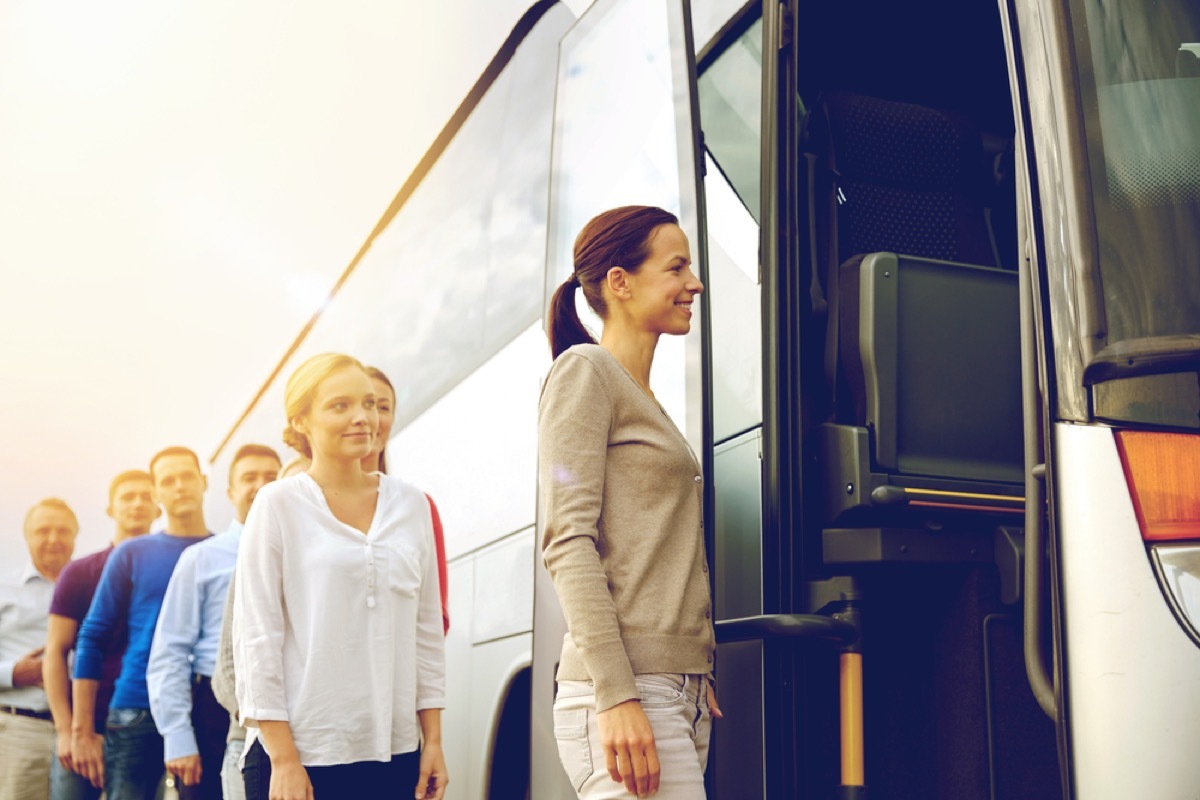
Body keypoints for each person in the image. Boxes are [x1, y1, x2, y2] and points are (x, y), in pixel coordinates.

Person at [538, 205, 721, 799]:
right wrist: (617, 692)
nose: (694, 283)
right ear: (620, 282)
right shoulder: (585, 371)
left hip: (675, 692)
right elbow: (567, 541)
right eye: (676, 267)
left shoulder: (642, 395)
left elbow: (660, 548)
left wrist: (691, 660)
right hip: (628, 693)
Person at [233, 352, 447, 800]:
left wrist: (434, 742)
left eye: (370, 403)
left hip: (395, 754)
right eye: (340, 405)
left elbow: (426, 632)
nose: (362, 418)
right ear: (301, 421)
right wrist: (284, 759)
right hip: (300, 757)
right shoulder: (276, 504)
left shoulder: (412, 506)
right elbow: (257, 638)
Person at [72, 447, 213, 800]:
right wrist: (81, 730)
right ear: (156, 494)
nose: (179, 486)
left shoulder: (225, 551)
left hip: (208, 708)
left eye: (187, 477)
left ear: (204, 482)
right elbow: (92, 637)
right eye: (168, 480)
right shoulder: (132, 553)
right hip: (136, 709)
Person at [147, 445, 280, 800]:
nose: (261, 485)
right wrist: (177, 737)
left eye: (272, 476)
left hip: (284, 700)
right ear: (230, 492)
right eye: (249, 477)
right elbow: (170, 651)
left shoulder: (301, 550)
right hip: (213, 710)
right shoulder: (201, 559)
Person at [44, 472, 159, 800]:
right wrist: (68, 732)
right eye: (128, 497)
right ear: (110, 509)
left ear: (158, 507)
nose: (137, 503)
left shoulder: (171, 568)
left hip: (145, 727)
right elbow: (56, 651)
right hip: (85, 724)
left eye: (146, 496)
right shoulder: (80, 572)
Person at [0, 498, 79, 800]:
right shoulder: (4, 590)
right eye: (43, 531)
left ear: (75, 534)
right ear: (27, 535)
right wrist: (15, 673)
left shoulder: (93, 587)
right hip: (21, 731)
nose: (53, 539)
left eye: (63, 531)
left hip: (81, 731)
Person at [364, 366, 450, 634]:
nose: (373, 419)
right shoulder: (301, 503)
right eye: (366, 405)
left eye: (384, 407)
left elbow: (435, 615)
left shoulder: (419, 506)